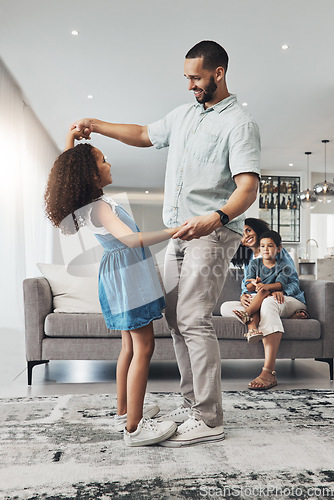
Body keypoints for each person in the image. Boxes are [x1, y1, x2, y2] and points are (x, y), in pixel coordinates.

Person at [71, 40, 261, 447]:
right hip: (177, 233)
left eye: (195, 77)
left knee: (193, 318)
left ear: (218, 74)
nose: (190, 84)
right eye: (187, 77)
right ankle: (193, 404)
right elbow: (142, 134)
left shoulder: (239, 124)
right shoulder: (184, 116)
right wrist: (98, 124)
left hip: (212, 231)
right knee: (174, 320)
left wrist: (218, 216)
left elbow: (248, 188)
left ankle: (210, 417)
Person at [44, 127, 180, 447]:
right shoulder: (101, 207)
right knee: (144, 346)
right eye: (103, 161)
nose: (109, 164)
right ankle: (134, 428)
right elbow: (131, 239)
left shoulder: (93, 202)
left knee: (129, 347)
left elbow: (70, 165)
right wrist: (174, 231)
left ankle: (124, 411)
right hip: (128, 276)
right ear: (91, 175)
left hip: (119, 276)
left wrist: (71, 138)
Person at [221, 219, 308, 390]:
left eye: (248, 230)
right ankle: (260, 319)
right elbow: (247, 284)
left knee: (268, 303)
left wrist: (280, 290)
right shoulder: (250, 261)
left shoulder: (277, 254)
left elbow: (292, 280)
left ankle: (269, 371)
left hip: (286, 298)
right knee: (226, 307)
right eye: (242, 233)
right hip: (261, 298)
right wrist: (243, 296)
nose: (246, 236)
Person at [233, 231, 306, 349]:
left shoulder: (283, 266)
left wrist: (266, 287)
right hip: (258, 297)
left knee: (263, 295)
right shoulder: (254, 263)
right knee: (230, 305)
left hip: (268, 297)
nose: (265, 249)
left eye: (270, 246)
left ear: (278, 249)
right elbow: (248, 285)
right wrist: (254, 284)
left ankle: (247, 314)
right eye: (262, 246)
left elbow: (281, 284)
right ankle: (252, 331)